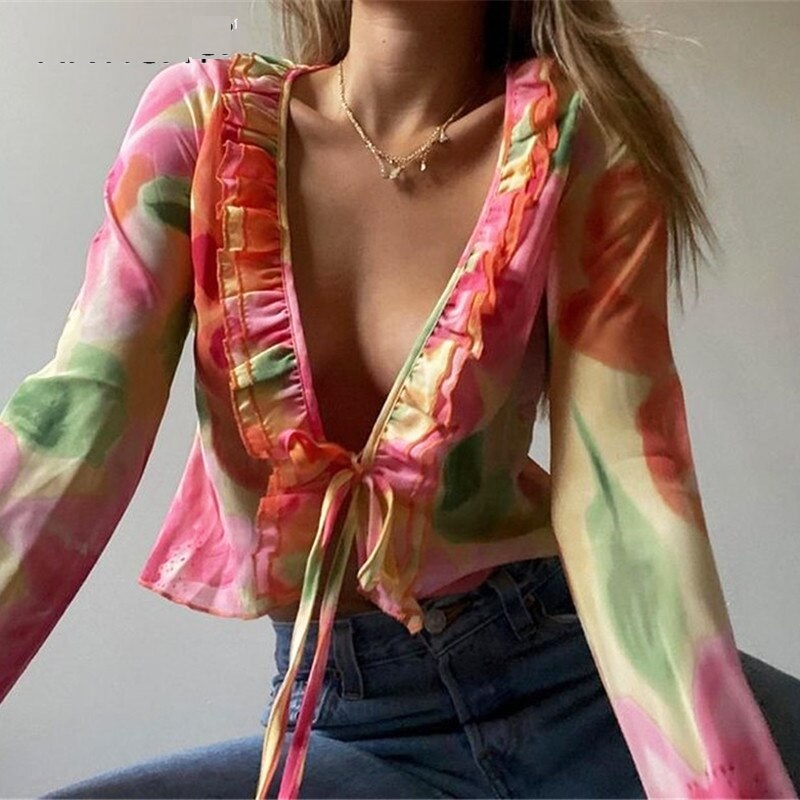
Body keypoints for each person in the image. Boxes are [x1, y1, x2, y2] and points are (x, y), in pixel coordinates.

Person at [2, 1, 799, 798]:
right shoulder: (200, 126)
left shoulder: (578, 144)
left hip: (578, 690)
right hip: (354, 727)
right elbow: (72, 430)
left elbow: (623, 489)